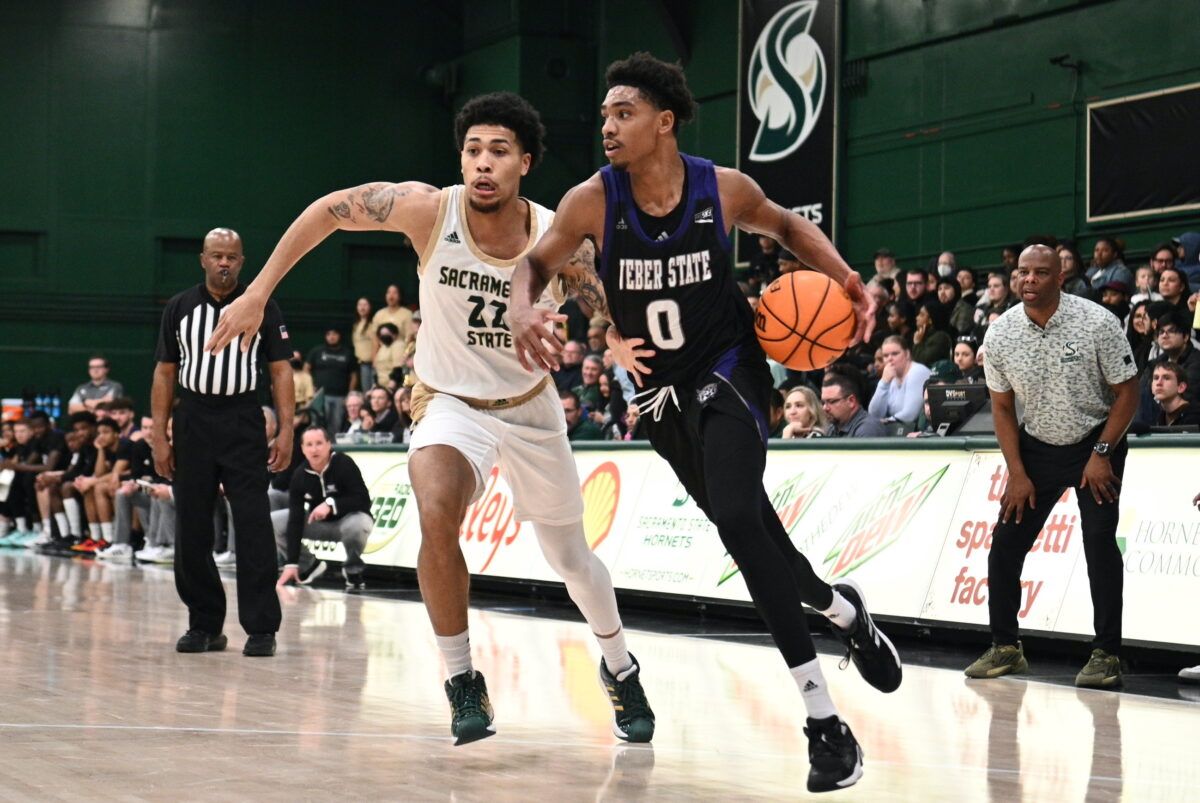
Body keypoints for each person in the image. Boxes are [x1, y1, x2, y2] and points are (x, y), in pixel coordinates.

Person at [203, 92, 655, 748]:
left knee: (571, 558)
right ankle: (461, 678)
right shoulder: (426, 208)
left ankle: (620, 666)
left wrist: (612, 332)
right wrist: (256, 290)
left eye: (499, 151)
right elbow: (327, 211)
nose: (483, 163)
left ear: (524, 162)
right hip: (447, 400)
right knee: (436, 513)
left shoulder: (557, 235)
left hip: (529, 409)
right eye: (473, 150)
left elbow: (601, 303)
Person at [508, 52, 900, 793]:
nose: (607, 126)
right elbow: (538, 263)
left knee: (736, 518)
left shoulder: (721, 188)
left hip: (730, 368)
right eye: (602, 115)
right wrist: (532, 306)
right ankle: (844, 610)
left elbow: (786, 228)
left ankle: (823, 722)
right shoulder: (593, 200)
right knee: (757, 535)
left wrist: (847, 277)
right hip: (659, 397)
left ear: (664, 121)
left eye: (621, 113)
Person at [965, 244, 1139, 688]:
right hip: (1037, 446)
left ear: (1059, 277)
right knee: (1004, 543)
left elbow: (1128, 394)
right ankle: (1005, 646)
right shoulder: (1000, 334)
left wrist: (1101, 454)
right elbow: (1002, 409)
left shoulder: (1097, 321)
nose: (1028, 280)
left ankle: (1107, 654)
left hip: (1096, 442)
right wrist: (1017, 472)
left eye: (1040, 273)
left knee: (1099, 544)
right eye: (1022, 272)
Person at [152, 227, 294, 658]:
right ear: (203, 259)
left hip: (242, 419)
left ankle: (262, 628)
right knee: (192, 523)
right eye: (216, 256)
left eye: (231, 256)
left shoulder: (262, 305)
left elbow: (281, 371)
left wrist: (286, 429)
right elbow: (164, 373)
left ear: (242, 260)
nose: (224, 263)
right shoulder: (179, 307)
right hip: (192, 418)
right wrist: (159, 434)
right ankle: (204, 624)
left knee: (252, 523)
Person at [274, 427, 374, 591]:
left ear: (329, 445)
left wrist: (331, 505)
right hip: (318, 525)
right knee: (275, 521)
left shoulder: (344, 463)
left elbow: (362, 499)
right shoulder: (300, 475)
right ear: (302, 449)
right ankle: (308, 565)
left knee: (360, 523)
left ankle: (352, 569)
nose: (314, 449)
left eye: (319, 443)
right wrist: (291, 562)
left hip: (346, 522)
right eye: (309, 444)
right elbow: (295, 519)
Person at [868, 335, 932, 429]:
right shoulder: (890, 377)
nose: (890, 359)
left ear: (907, 354)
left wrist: (885, 422)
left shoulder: (918, 371)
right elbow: (874, 414)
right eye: (885, 356)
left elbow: (910, 414)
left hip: (921, 431)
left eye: (895, 354)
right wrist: (883, 383)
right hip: (899, 431)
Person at [307, 327, 357, 432]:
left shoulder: (347, 353)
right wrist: (310, 386)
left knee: (336, 425)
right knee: (317, 424)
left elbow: (354, 375)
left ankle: (333, 447)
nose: (331, 337)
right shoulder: (317, 351)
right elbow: (306, 368)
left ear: (339, 336)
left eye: (334, 334)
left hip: (340, 396)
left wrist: (349, 393)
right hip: (320, 395)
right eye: (329, 334)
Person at [1148, 360, 1200, 427]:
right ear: (1152, 387)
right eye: (1156, 378)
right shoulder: (1160, 416)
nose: (1159, 383)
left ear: (1181, 387)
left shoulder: (1195, 416)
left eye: (1166, 378)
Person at [370, 284, 415, 358]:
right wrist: (374, 358)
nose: (391, 295)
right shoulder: (379, 314)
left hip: (399, 355)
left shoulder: (407, 314)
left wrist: (406, 357)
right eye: (389, 292)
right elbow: (375, 340)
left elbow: (409, 337)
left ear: (400, 296)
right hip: (382, 357)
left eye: (395, 293)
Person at [351, 297, 376, 391]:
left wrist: (374, 360)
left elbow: (375, 343)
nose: (362, 307)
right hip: (361, 363)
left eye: (365, 305)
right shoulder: (356, 324)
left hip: (371, 364)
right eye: (360, 305)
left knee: (371, 391)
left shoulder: (372, 323)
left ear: (370, 307)